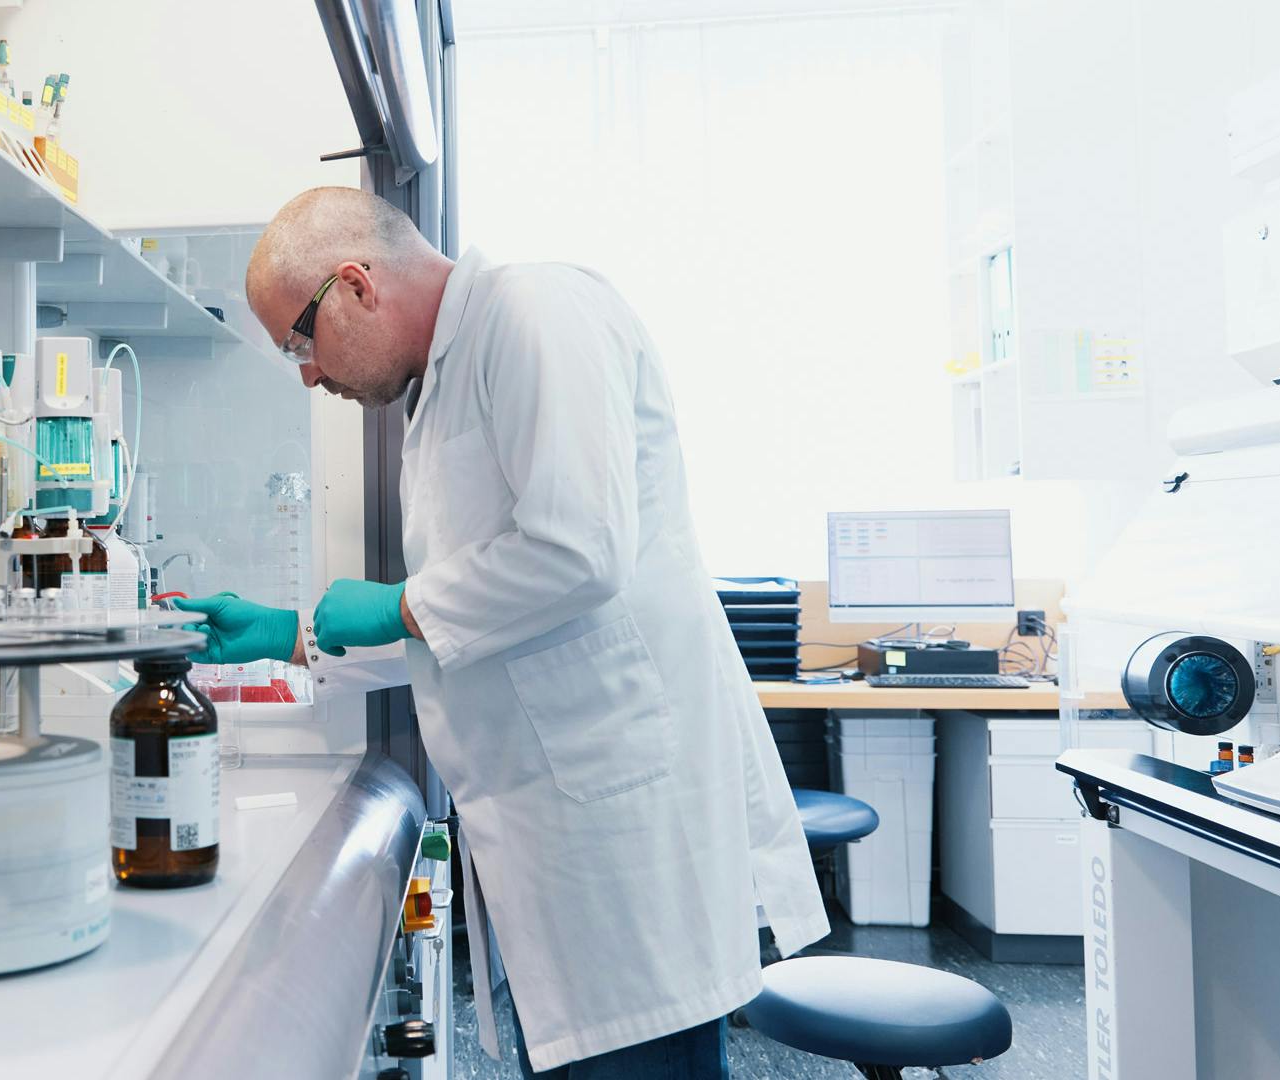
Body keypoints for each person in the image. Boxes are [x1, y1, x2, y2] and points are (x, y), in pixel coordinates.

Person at [176, 187, 826, 1079]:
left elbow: (579, 550)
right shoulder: (442, 388)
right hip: (562, 851)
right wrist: (290, 635)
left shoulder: (538, 309)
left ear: (356, 286)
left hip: (631, 851)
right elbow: (480, 618)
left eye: (299, 341)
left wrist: (400, 605)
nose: (309, 376)